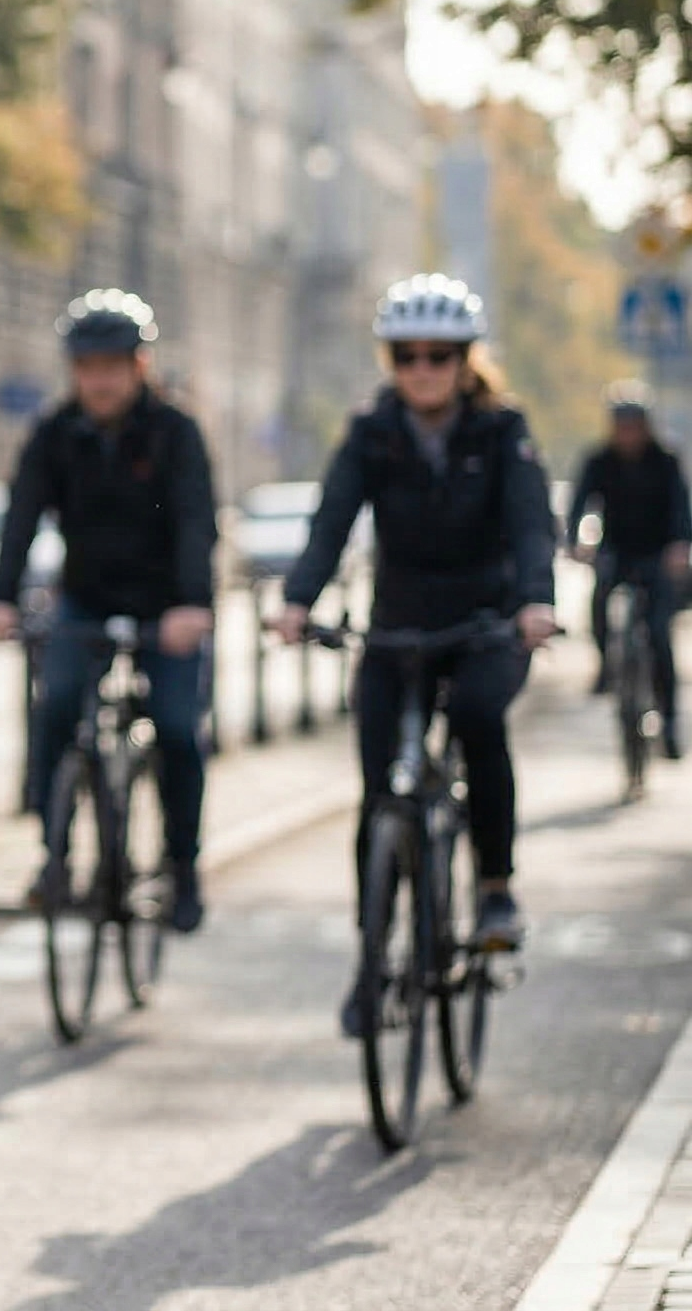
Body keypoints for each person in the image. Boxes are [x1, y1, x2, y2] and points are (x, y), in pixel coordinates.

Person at [278, 273, 554, 1008]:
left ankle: (494, 890)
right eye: (407, 356)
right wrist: (297, 602)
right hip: (397, 630)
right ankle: (373, 960)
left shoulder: (503, 430)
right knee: (379, 799)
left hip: (486, 625)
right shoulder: (372, 432)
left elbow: (531, 523)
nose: (422, 370)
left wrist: (535, 603)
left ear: (466, 360)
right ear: (389, 361)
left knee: (476, 718)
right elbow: (332, 520)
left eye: (439, 355)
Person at [0, 290, 219, 933]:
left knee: (175, 728)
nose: (100, 379)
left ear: (140, 366)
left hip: (166, 607)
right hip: (85, 599)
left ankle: (184, 868)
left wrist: (193, 605)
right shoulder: (55, 435)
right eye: (87, 366)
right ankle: (53, 854)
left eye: (113, 365)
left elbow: (198, 523)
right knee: (55, 703)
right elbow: (22, 516)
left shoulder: (176, 432)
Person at [567, 381, 691, 749]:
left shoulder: (665, 460)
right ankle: (606, 664)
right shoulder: (599, 460)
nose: (627, 434)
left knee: (658, 631)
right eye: (621, 426)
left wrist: (680, 546)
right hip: (616, 551)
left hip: (656, 553)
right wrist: (576, 540)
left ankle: (669, 722)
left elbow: (681, 510)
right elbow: (580, 505)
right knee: (599, 600)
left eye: (633, 425)